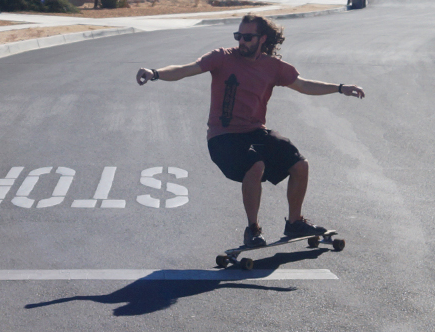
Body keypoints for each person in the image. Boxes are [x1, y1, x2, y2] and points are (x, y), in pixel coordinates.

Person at [136, 14, 365, 247]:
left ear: (262, 39)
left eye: (247, 37)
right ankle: (253, 229)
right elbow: (186, 69)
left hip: (255, 134)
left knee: (299, 164)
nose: (241, 42)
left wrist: (340, 88)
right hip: (223, 138)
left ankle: (294, 223)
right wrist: (155, 73)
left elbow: (304, 85)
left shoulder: (273, 67)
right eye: (238, 36)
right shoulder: (221, 58)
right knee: (255, 164)